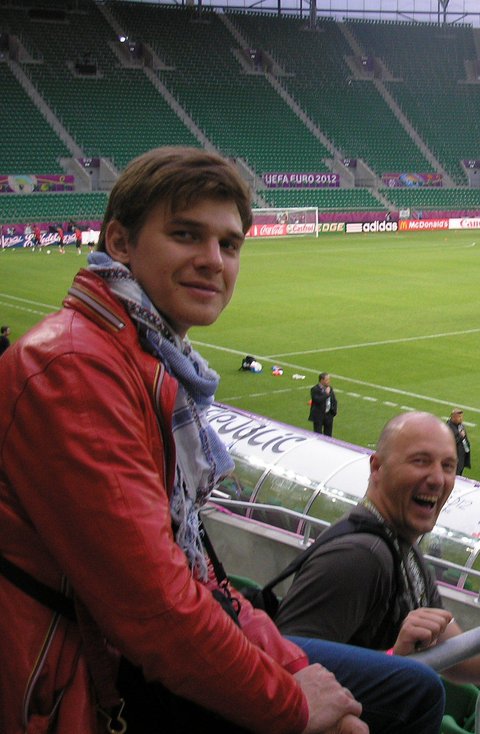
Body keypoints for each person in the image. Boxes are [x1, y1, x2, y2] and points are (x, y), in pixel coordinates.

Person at [0, 147, 442, 734]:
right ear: (121, 243)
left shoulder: (146, 360)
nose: (213, 261)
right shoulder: (77, 370)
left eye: (229, 244)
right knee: (396, 702)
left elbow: (200, 578)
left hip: (115, 650)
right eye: (186, 235)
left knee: (400, 692)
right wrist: (293, 703)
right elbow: (155, 612)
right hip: (75, 678)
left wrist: (292, 667)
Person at [276, 412, 480, 684]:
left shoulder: (404, 549)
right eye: (421, 461)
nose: (438, 479)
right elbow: (284, 675)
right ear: (377, 468)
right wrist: (395, 659)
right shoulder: (359, 559)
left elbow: (461, 660)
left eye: (448, 466)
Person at [309, 372, 338, 437]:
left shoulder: (330, 388)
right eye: (327, 380)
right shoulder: (315, 389)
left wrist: (333, 412)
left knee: (328, 436)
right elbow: (317, 400)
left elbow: (334, 400)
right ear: (322, 380)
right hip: (319, 416)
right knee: (318, 436)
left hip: (328, 415)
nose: (329, 381)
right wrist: (326, 394)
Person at [446, 408, 471, 475]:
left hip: (461, 457)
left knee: (459, 474)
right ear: (453, 417)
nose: (461, 418)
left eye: (461, 416)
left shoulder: (461, 425)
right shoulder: (448, 427)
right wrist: (461, 436)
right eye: (459, 417)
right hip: (454, 459)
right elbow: (450, 442)